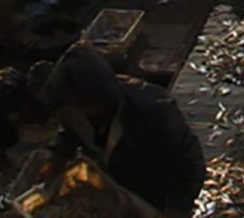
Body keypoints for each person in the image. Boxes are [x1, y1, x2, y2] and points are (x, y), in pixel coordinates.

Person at [38, 43, 206, 217]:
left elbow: (190, 164)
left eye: (80, 105)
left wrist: (177, 208)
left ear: (95, 98)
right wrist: (57, 154)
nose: (75, 112)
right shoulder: (78, 109)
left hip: (156, 191)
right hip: (117, 183)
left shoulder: (153, 110)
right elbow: (70, 131)